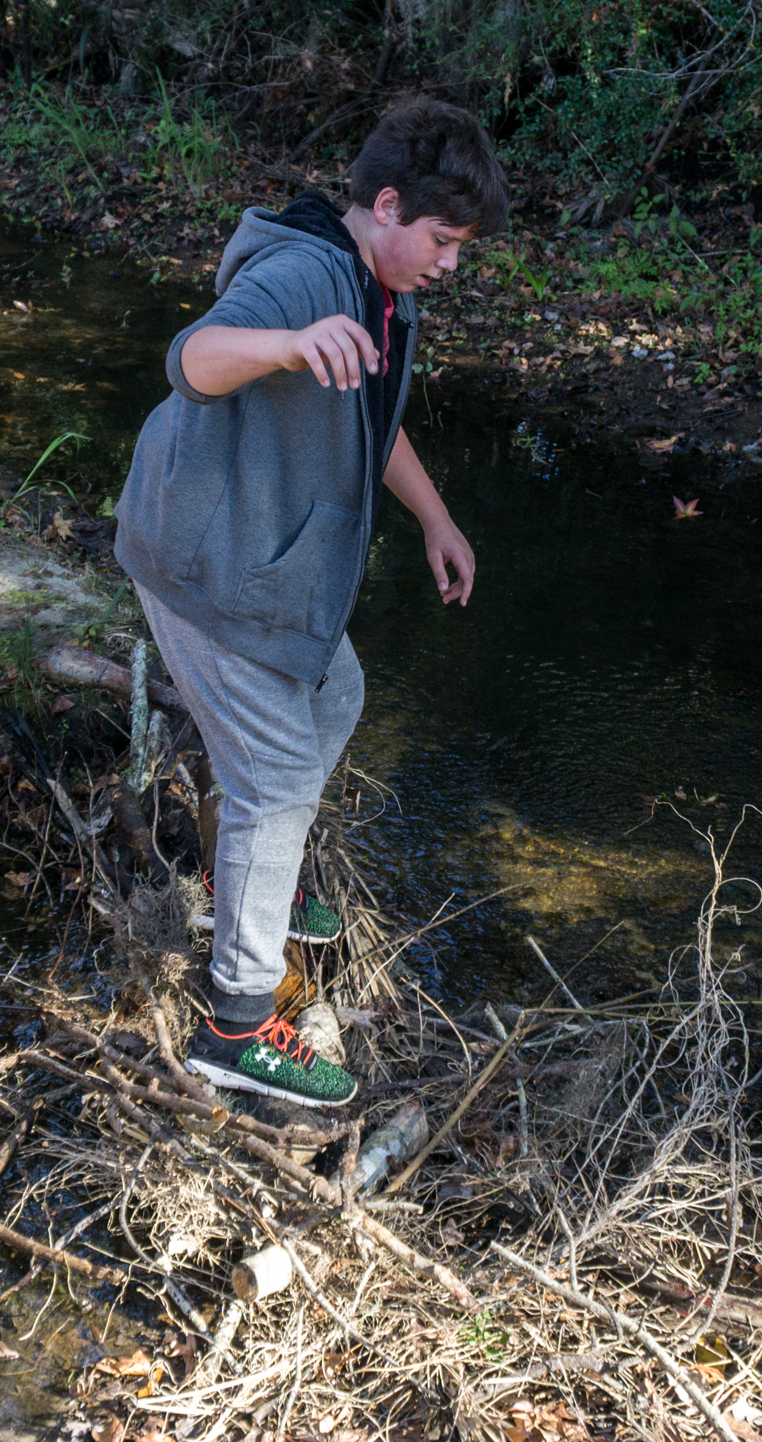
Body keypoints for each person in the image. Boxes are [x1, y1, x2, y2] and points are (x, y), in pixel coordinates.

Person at [114, 98, 509, 1108]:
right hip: (203, 560)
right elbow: (192, 360)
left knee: (334, 694)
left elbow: (375, 421)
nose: (449, 262)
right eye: (441, 239)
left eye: (460, 246)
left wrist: (435, 518)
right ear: (384, 205)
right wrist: (289, 341)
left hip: (267, 560)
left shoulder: (386, 290)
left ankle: (256, 876)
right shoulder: (302, 273)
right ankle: (235, 1023)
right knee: (280, 767)